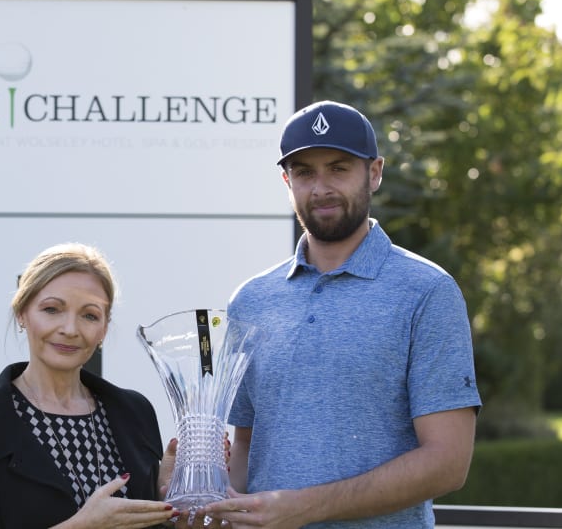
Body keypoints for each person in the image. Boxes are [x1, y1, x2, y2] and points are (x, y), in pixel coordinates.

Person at [202, 101, 483, 528]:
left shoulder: (427, 291)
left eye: (338, 168)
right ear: (286, 180)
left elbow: (448, 462)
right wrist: (200, 486)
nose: (321, 188)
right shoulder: (252, 299)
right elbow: (247, 446)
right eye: (304, 172)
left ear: (374, 173)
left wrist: (303, 507)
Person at [0, 242, 180, 528]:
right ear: (22, 313)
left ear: (104, 328)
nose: (70, 329)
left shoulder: (134, 411)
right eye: (52, 309)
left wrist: (168, 494)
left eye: (89, 315)